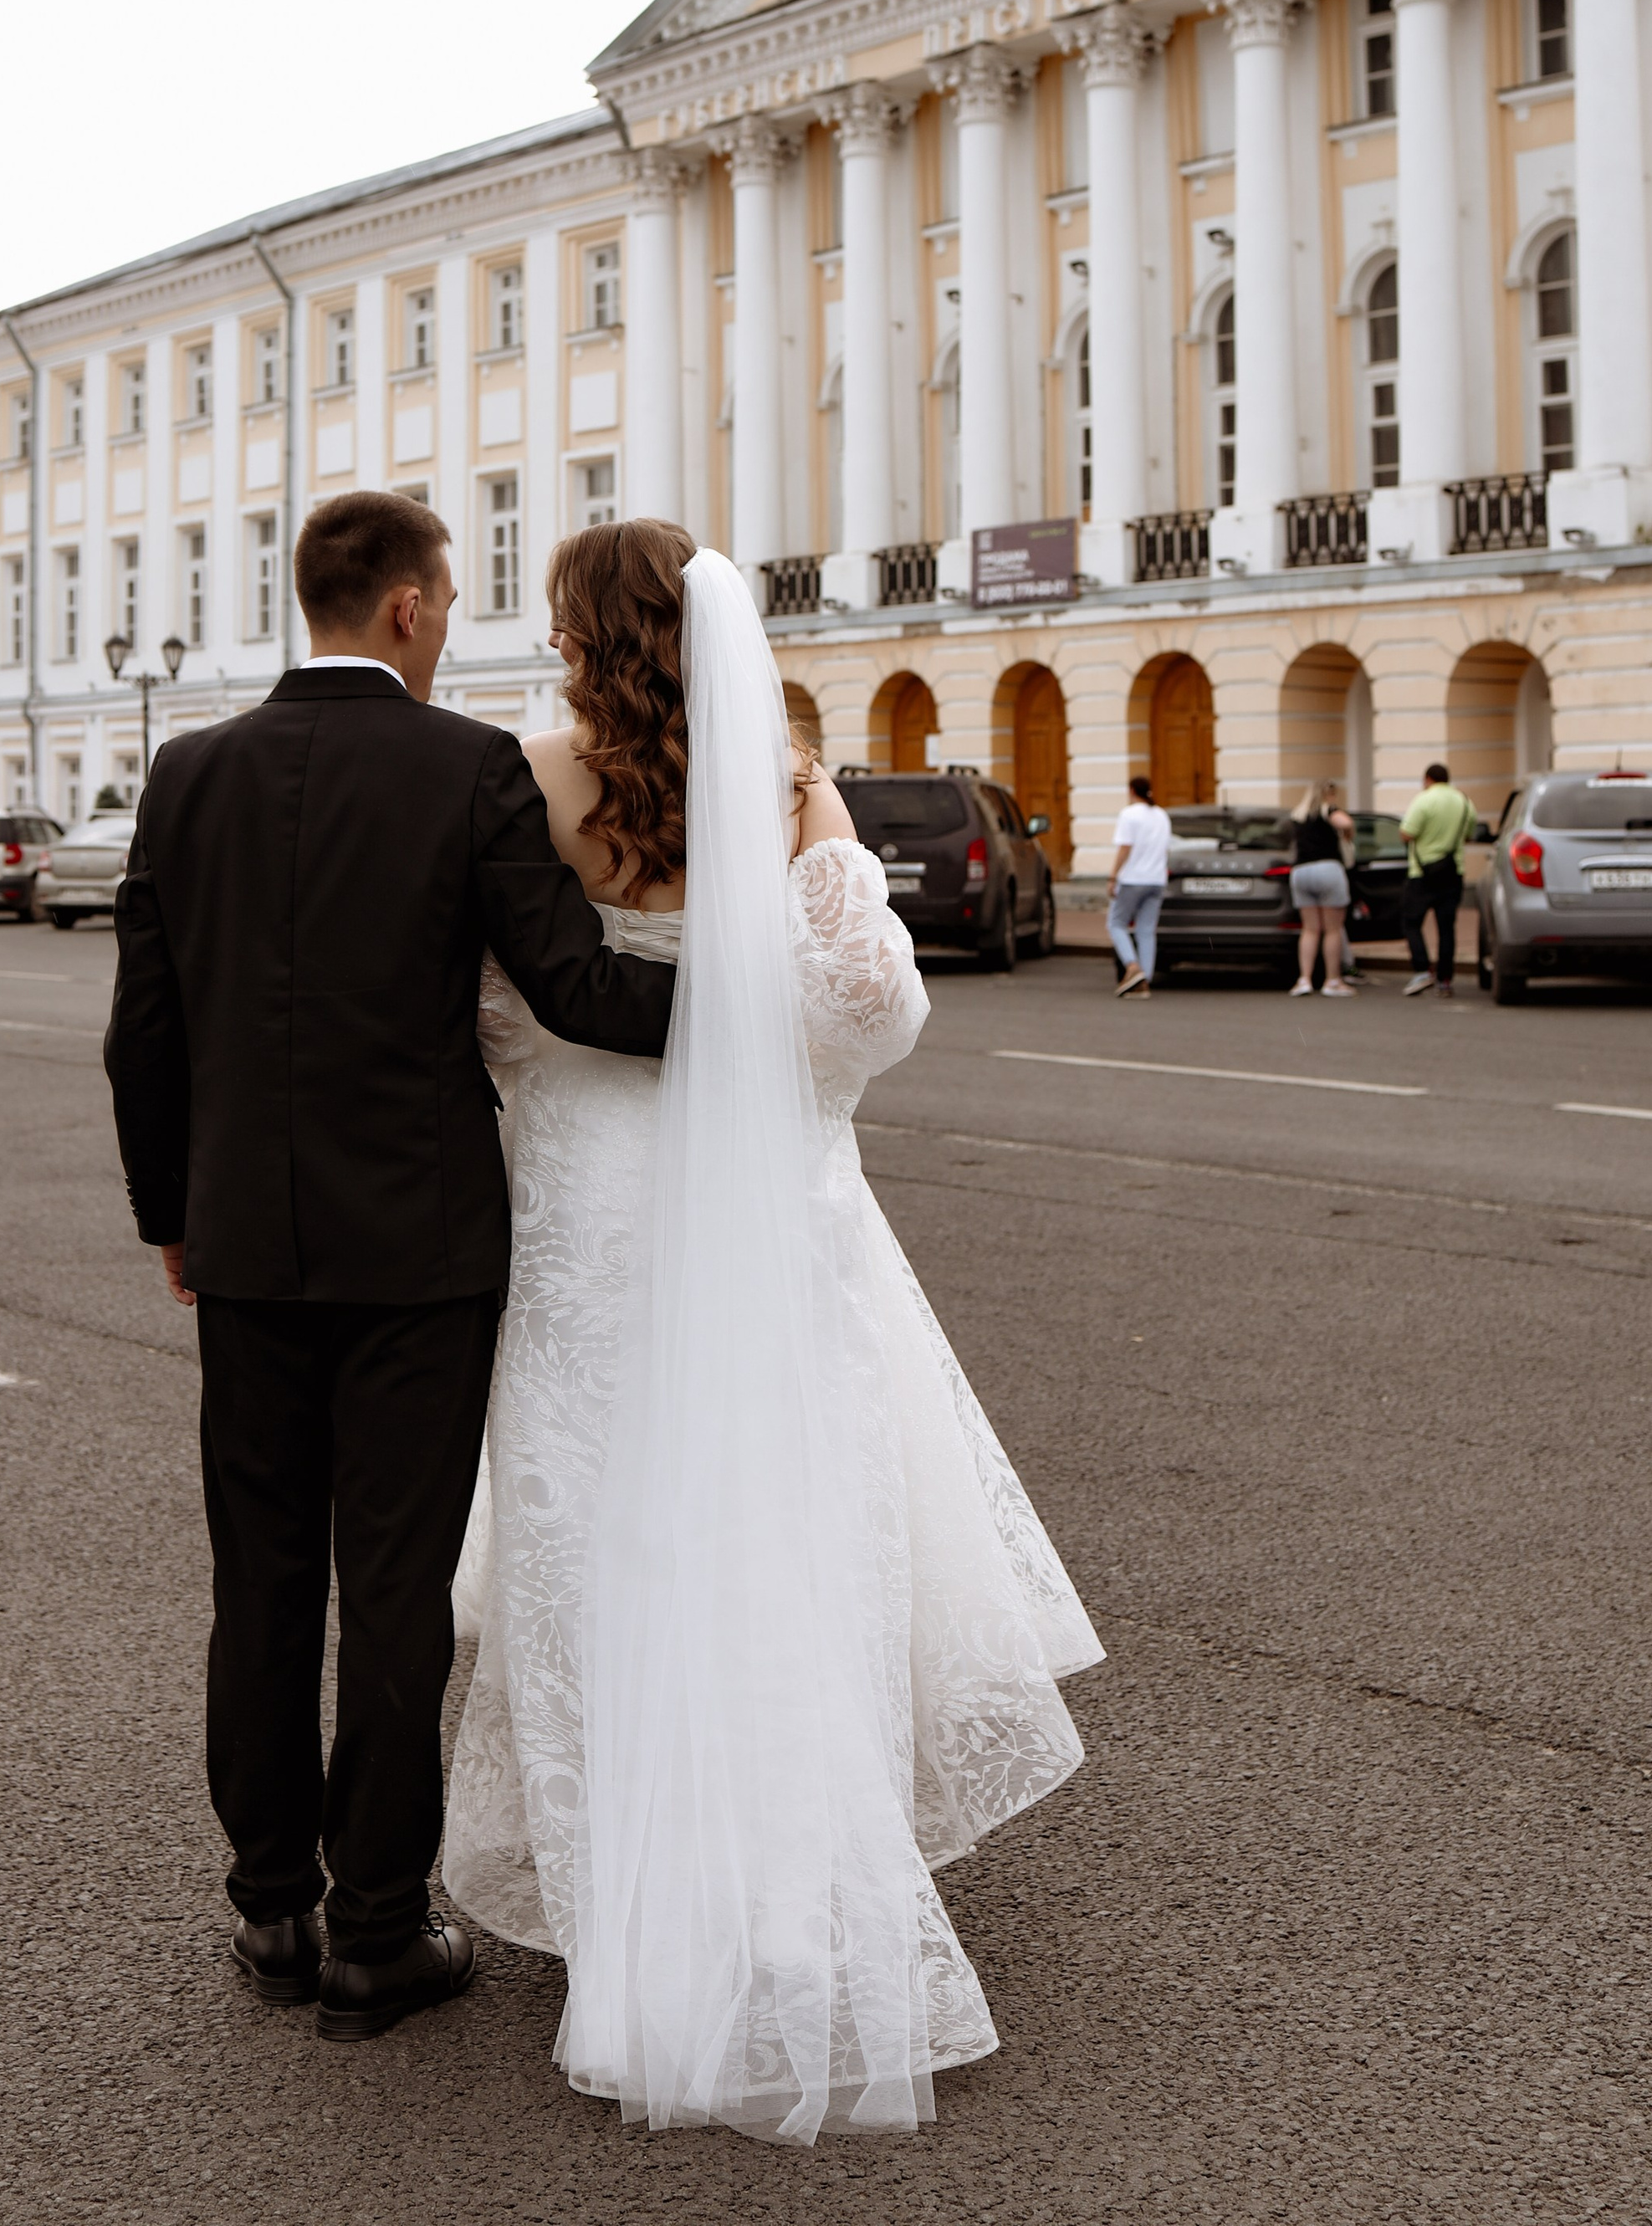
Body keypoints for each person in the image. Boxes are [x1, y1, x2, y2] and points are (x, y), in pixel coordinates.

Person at [442, 523, 1101, 2144]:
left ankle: (627, 1902)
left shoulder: (523, 784)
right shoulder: (788, 787)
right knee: (784, 1525)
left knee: (600, 1532)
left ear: (580, 634)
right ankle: (795, 1877)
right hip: (766, 1200)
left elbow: (484, 1014)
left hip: (590, 1207)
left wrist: (544, 1088)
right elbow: (874, 1015)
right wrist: (770, 1068)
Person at [104, 492, 677, 2044]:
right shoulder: (463, 769)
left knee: (265, 1574)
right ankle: (377, 1929)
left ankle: (273, 1907)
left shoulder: (189, 773)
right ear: (415, 608)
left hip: (245, 1249)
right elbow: (570, 988)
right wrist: (760, 1014)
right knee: (397, 1589)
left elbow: (142, 1032)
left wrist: (174, 1219)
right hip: (421, 1253)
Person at [1399, 759, 1477, 998]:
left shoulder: (1423, 800)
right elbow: (1469, 835)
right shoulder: (1465, 802)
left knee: (1411, 922)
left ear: (1428, 779)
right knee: (1446, 928)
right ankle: (1445, 979)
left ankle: (1423, 970)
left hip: (1422, 873)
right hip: (1453, 872)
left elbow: (1406, 833)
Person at [1289, 780, 1356, 998]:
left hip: (1300, 872)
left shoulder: (1298, 815)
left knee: (1309, 929)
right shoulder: (1330, 810)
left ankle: (1304, 979)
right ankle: (1332, 981)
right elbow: (1345, 823)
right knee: (1333, 929)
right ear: (1329, 795)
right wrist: (1347, 834)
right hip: (1328, 870)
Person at [1107, 772, 1171, 996]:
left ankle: (1132, 966)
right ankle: (1145, 980)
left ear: (1132, 791)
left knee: (1116, 924)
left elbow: (1125, 848)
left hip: (1133, 879)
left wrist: (1113, 876)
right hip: (1156, 880)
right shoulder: (1162, 815)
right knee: (1146, 930)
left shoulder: (1129, 815)